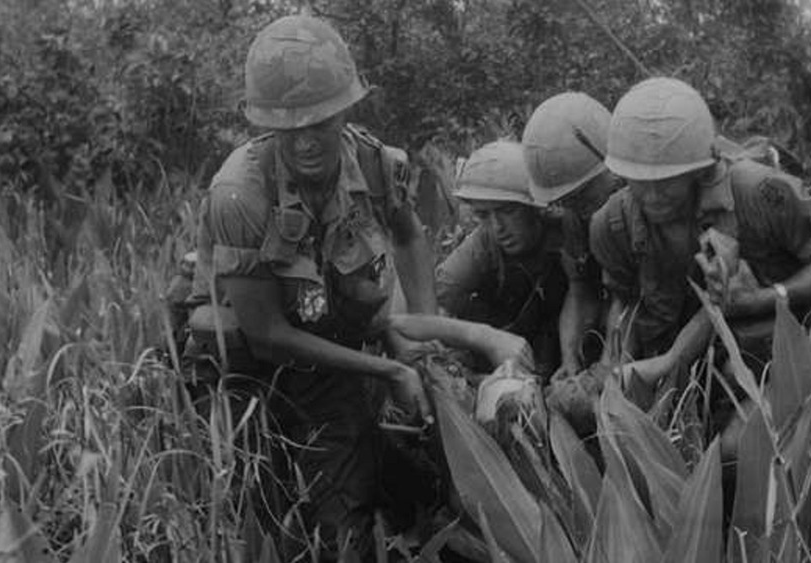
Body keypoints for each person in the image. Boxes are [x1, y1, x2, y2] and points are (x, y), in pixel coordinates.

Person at [184, 14, 436, 561]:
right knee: (252, 509)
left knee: (343, 529)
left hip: (328, 359)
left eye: (318, 122)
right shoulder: (239, 192)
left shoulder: (374, 163)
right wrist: (391, 370)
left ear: (345, 110)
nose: (304, 141)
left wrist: (421, 343)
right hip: (243, 361)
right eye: (286, 126)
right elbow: (268, 334)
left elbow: (410, 236)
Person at [589, 76, 811, 420]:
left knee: (738, 450)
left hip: (777, 359)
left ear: (700, 168)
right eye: (639, 181)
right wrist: (616, 367)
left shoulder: (760, 192)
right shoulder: (612, 223)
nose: (653, 195)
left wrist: (765, 298)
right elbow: (626, 300)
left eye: (667, 181)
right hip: (686, 368)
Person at [436, 140, 568, 377]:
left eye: (508, 211)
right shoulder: (481, 246)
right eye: (484, 215)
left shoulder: (567, 232)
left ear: (534, 206)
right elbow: (442, 301)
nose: (497, 228)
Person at [521, 92, 623, 380]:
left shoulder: (644, 203)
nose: (574, 207)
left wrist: (610, 364)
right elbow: (579, 289)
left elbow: (629, 297)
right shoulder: (574, 217)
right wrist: (569, 359)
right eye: (564, 200)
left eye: (582, 195)